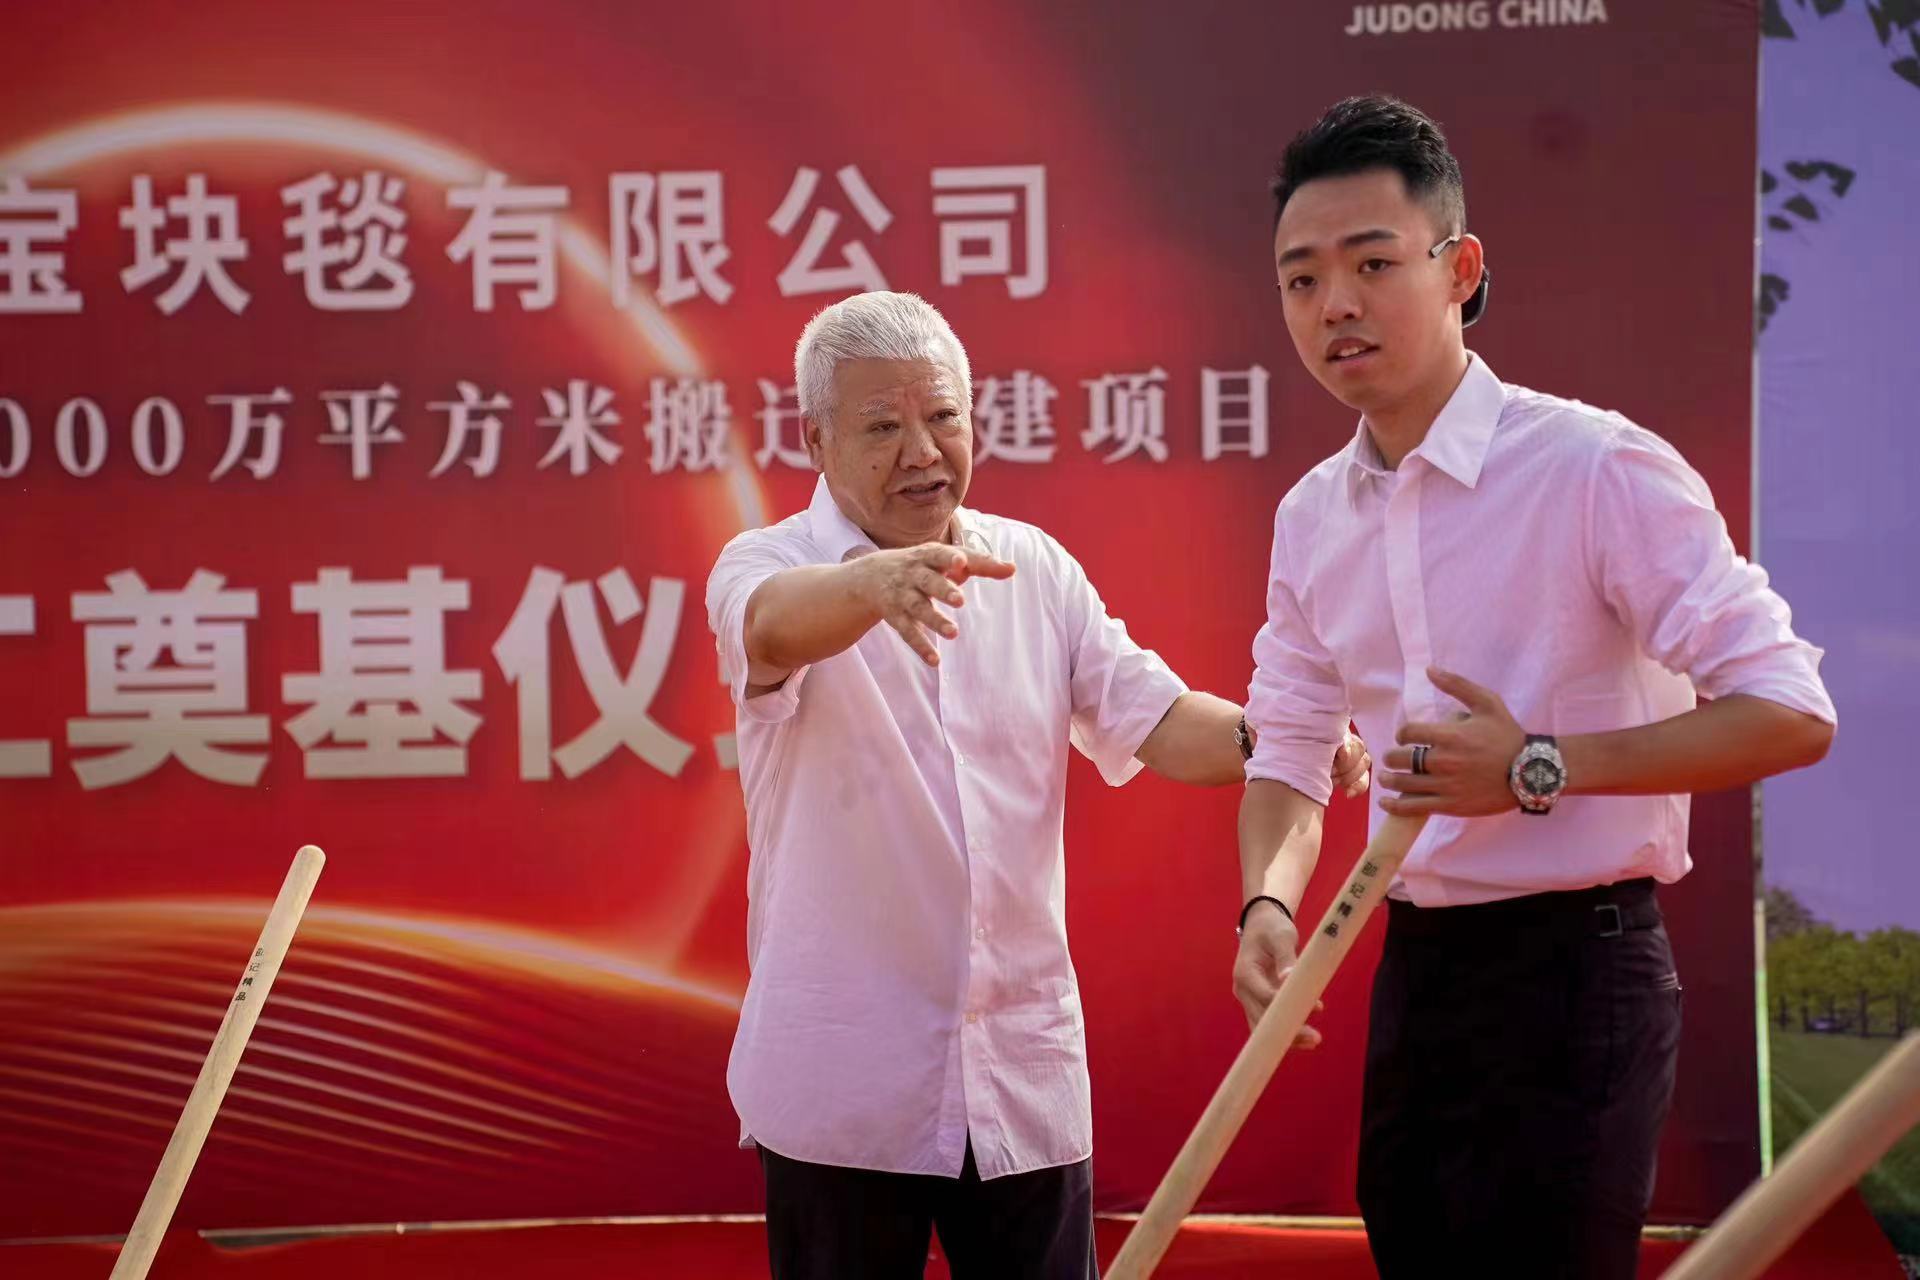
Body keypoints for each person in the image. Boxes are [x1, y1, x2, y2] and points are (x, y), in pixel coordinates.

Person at [1231, 96, 1836, 1279]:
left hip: (1579, 969)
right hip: (1417, 967)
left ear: (1459, 269)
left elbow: (1789, 708)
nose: (1335, 303)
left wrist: (1538, 766)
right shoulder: (1312, 517)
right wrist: (1266, 901)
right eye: (1302, 279)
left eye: (1372, 263)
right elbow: (1291, 741)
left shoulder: (1593, 467)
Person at [706, 289, 1368, 1280]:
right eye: (882, 427)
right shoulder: (768, 564)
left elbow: (1157, 720)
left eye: (943, 416)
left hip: (1018, 1075)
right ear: (817, 439)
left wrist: (1274, 735)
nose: (922, 451)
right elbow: (768, 627)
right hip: (844, 1086)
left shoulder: (1032, 569)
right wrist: (873, 584)